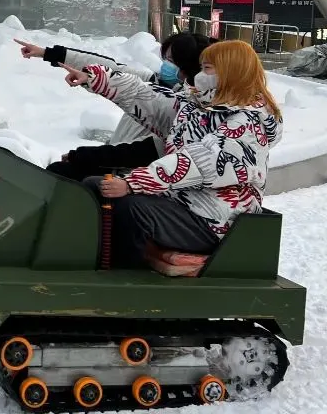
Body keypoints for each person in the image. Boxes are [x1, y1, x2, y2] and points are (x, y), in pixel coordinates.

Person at [57, 40, 283, 269]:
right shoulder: (199, 105)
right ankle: (76, 260)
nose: (200, 75)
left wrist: (134, 183)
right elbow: (150, 100)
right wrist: (99, 79)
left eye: (207, 69)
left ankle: (123, 287)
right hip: (180, 203)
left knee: (130, 210)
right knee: (94, 186)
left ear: (230, 72)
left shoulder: (249, 123)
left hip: (214, 219)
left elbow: (199, 161)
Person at [15, 33, 215, 181]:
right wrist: (48, 53)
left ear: (188, 68)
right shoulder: (156, 82)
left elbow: (145, 151)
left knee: (64, 176)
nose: (165, 66)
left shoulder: (185, 111)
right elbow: (113, 70)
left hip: (134, 176)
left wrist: (84, 157)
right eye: (165, 59)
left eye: (172, 61)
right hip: (116, 164)